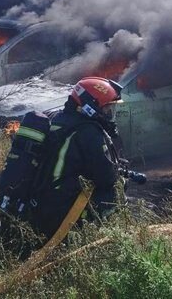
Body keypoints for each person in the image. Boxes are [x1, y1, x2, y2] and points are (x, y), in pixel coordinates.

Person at [30, 76, 126, 238]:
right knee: (114, 190)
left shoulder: (59, 118)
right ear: (90, 107)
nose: (109, 114)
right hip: (60, 209)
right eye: (106, 109)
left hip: (40, 200)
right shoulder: (88, 132)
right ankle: (94, 236)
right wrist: (120, 173)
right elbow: (106, 177)